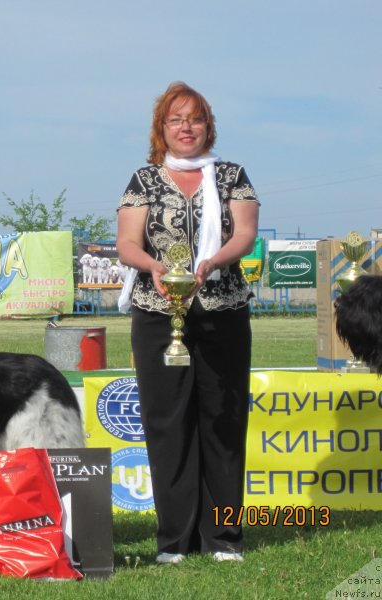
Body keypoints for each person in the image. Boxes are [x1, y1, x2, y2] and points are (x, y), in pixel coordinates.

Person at [116, 81, 259, 564]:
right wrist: (154, 268)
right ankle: (174, 541)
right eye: (176, 119)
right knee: (167, 422)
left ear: (207, 126)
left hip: (223, 312)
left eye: (194, 119)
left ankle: (223, 539)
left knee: (223, 420)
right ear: (162, 129)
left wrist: (215, 260)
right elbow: (128, 244)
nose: (186, 127)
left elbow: (246, 233)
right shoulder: (143, 180)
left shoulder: (233, 176)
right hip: (158, 315)